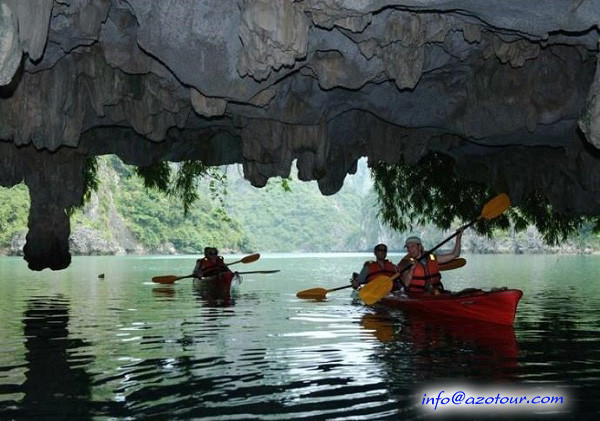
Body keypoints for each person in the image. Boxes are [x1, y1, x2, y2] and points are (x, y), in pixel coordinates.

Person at [398, 230, 463, 295]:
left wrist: (458, 238)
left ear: (419, 247)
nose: (410, 249)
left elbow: (455, 254)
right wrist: (411, 270)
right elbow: (406, 283)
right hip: (416, 295)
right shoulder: (405, 262)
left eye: (412, 246)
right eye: (408, 247)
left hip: (435, 292)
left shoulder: (431, 257)